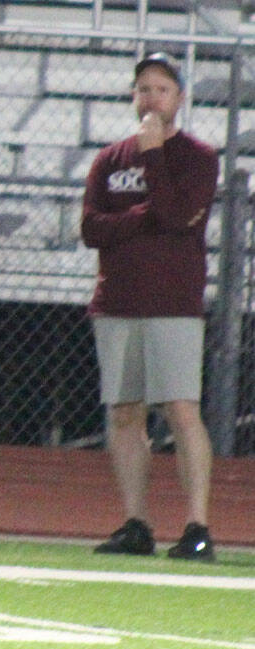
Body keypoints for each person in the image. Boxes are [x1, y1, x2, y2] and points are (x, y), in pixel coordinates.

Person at [80, 51, 219, 561]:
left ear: (179, 98)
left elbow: (179, 215)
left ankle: (197, 525)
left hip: (172, 303)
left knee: (181, 409)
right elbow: (92, 229)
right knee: (124, 413)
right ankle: (136, 522)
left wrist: (155, 155)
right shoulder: (109, 159)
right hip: (117, 302)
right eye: (143, 89)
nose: (151, 98)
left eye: (162, 89)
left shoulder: (197, 157)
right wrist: (141, 217)